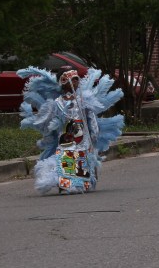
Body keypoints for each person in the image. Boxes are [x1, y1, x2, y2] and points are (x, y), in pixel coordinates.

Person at [17, 67, 125, 195]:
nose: (75, 82)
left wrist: (94, 135)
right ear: (62, 82)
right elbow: (47, 121)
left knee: (82, 157)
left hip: (82, 137)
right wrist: (50, 129)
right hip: (65, 137)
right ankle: (66, 184)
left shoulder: (83, 100)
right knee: (66, 157)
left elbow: (91, 119)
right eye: (72, 80)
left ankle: (83, 183)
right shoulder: (57, 103)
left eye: (76, 79)